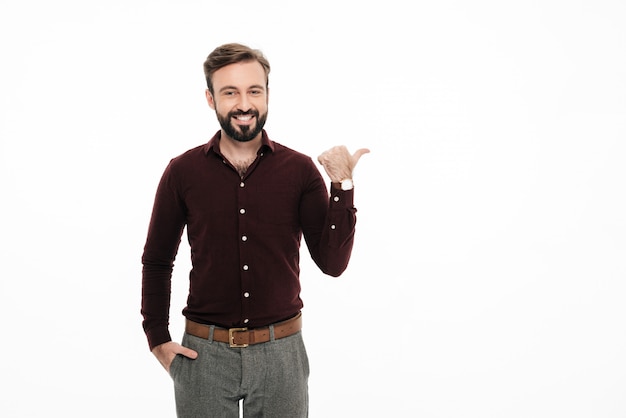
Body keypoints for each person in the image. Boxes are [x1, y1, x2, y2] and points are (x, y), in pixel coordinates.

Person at [141, 42, 369, 417]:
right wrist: (157, 339)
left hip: (281, 354)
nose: (243, 103)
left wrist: (342, 187)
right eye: (230, 92)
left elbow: (333, 262)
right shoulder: (182, 172)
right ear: (211, 99)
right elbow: (157, 259)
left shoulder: (299, 171)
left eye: (253, 91)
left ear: (267, 95)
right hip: (203, 355)